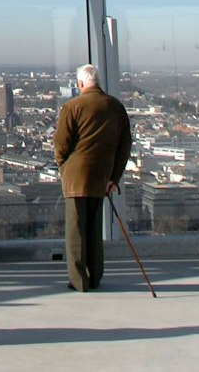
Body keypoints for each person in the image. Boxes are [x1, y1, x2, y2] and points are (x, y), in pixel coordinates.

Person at [51, 63, 133, 293]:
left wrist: (63, 166)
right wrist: (113, 176)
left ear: (80, 84)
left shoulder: (72, 106)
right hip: (102, 175)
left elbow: (61, 144)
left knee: (76, 230)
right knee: (95, 229)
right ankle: (95, 276)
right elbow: (124, 146)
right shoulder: (115, 107)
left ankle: (79, 281)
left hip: (76, 175)